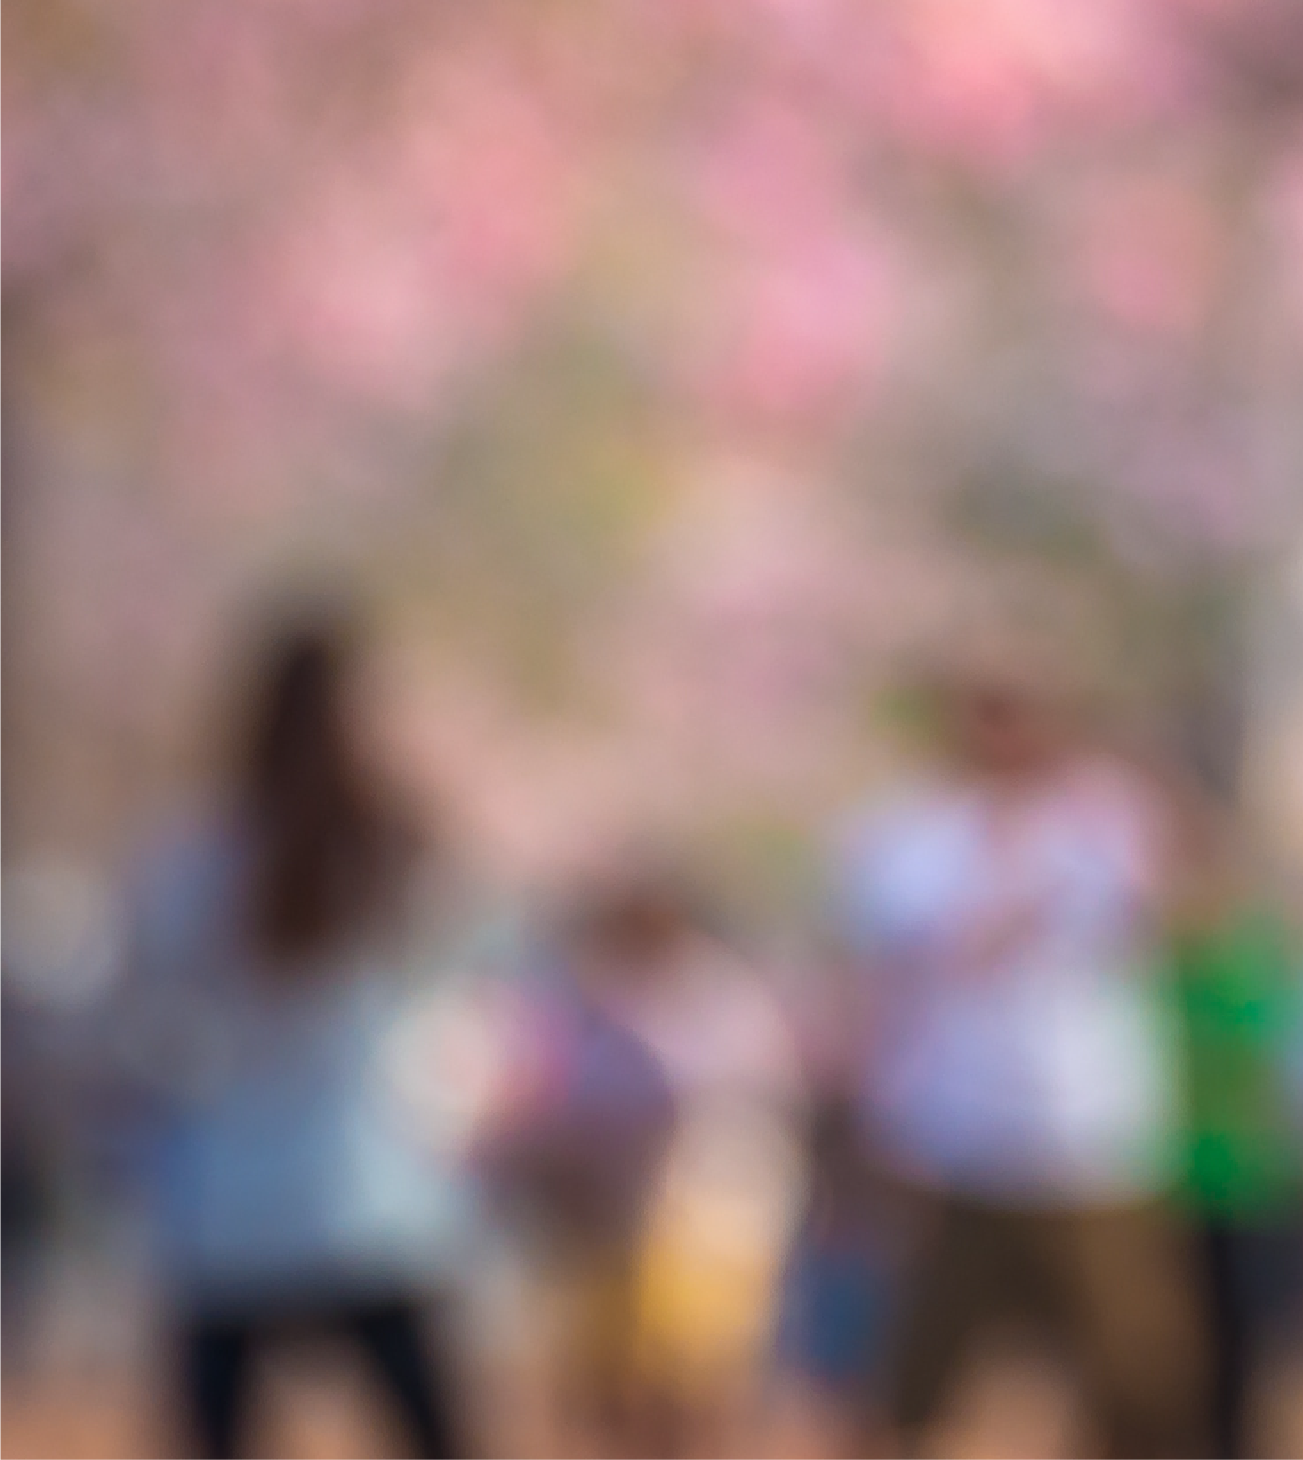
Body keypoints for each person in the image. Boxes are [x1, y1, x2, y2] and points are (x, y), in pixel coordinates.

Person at [111, 608, 480, 1459]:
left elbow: (138, 1019)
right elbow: (450, 973)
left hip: (224, 1199)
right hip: (370, 1190)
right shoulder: (391, 848)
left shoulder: (189, 855)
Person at [833, 669, 1198, 1458]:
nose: (1005, 733)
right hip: (952, 1142)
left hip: (1090, 1144)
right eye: (989, 714)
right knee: (912, 1375)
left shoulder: (1107, 819)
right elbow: (887, 982)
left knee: (1139, 1376)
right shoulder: (908, 837)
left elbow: (1161, 910)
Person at [484, 868, 802, 1458]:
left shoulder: (719, 997)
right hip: (609, 1220)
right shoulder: (591, 997)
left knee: (691, 1381)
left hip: (701, 1220)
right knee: (605, 1385)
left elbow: (741, 1104)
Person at [1161, 790, 1303, 1460]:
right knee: (1179, 1353)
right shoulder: (1163, 960)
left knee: (1251, 1350)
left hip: (1257, 1183)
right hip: (1175, 1184)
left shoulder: (1265, 953)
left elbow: (1298, 1068)